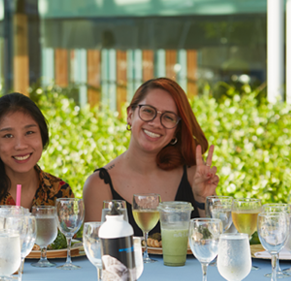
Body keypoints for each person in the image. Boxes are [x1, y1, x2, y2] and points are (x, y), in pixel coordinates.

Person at [83, 77, 219, 236]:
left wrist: (203, 199)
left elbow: (215, 245)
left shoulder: (192, 175)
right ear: (130, 115)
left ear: (176, 130)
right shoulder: (99, 185)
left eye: (168, 117)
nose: (156, 123)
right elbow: (97, 254)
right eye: (148, 111)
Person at [0, 92, 73, 239]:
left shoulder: (60, 192)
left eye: (29, 132)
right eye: (8, 135)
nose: (20, 145)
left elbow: (69, 248)